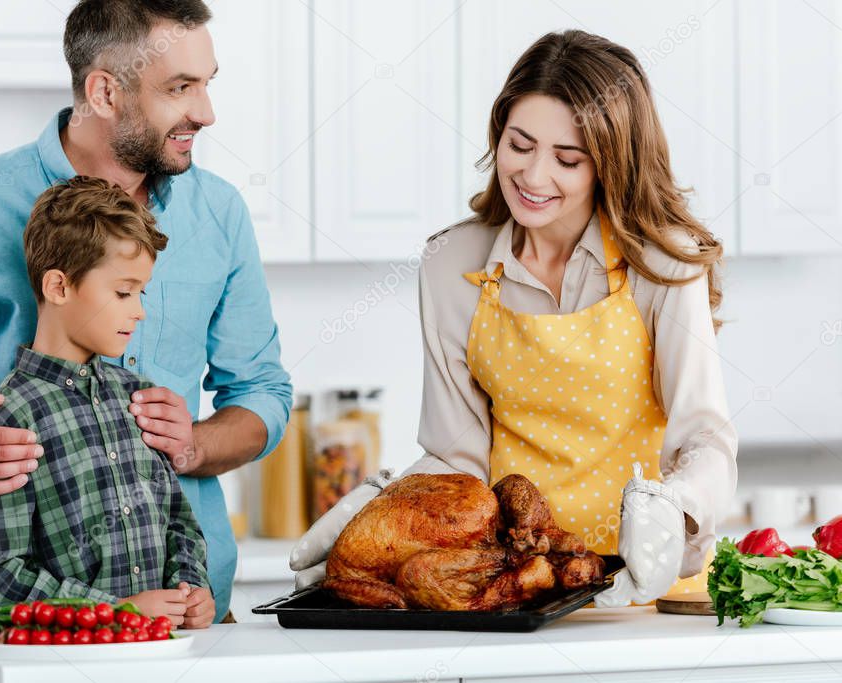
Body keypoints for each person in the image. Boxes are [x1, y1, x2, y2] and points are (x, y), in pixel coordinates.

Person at [0, 0, 292, 630]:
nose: (205, 112)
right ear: (104, 91)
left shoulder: (220, 213)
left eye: (206, 83)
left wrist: (197, 444)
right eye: (180, 88)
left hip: (186, 618)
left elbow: (263, 392)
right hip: (13, 624)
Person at [291, 29, 737, 606]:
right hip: (511, 588)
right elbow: (458, 456)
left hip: (649, 589)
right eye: (519, 144)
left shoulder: (663, 263)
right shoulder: (451, 263)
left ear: (611, 163)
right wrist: (384, 507)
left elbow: (705, 439)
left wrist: (671, 513)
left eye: (567, 159)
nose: (533, 175)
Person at [0, 176, 214, 628]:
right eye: (123, 292)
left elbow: (180, 524)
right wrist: (114, 613)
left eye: (141, 292)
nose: (139, 310)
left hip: (164, 652)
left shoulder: (138, 396)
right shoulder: (9, 417)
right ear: (59, 287)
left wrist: (192, 589)